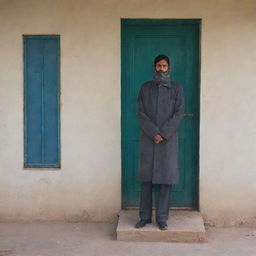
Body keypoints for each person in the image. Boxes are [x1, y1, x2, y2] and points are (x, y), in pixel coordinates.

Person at [135, 54, 184, 230]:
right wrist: (153, 132)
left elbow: (179, 114)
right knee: (146, 180)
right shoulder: (145, 88)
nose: (161, 69)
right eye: (158, 66)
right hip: (148, 139)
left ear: (169, 68)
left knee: (165, 180)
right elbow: (140, 112)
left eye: (164, 66)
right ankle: (144, 217)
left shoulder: (177, 89)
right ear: (154, 67)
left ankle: (162, 218)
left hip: (167, 141)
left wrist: (163, 133)